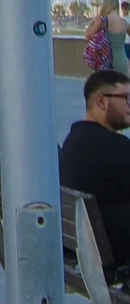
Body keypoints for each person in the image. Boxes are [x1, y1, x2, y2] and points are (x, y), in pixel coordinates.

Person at [58, 69, 130, 273]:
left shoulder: (76, 140)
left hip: (89, 249)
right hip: (114, 258)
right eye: (125, 98)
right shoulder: (112, 147)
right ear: (101, 102)